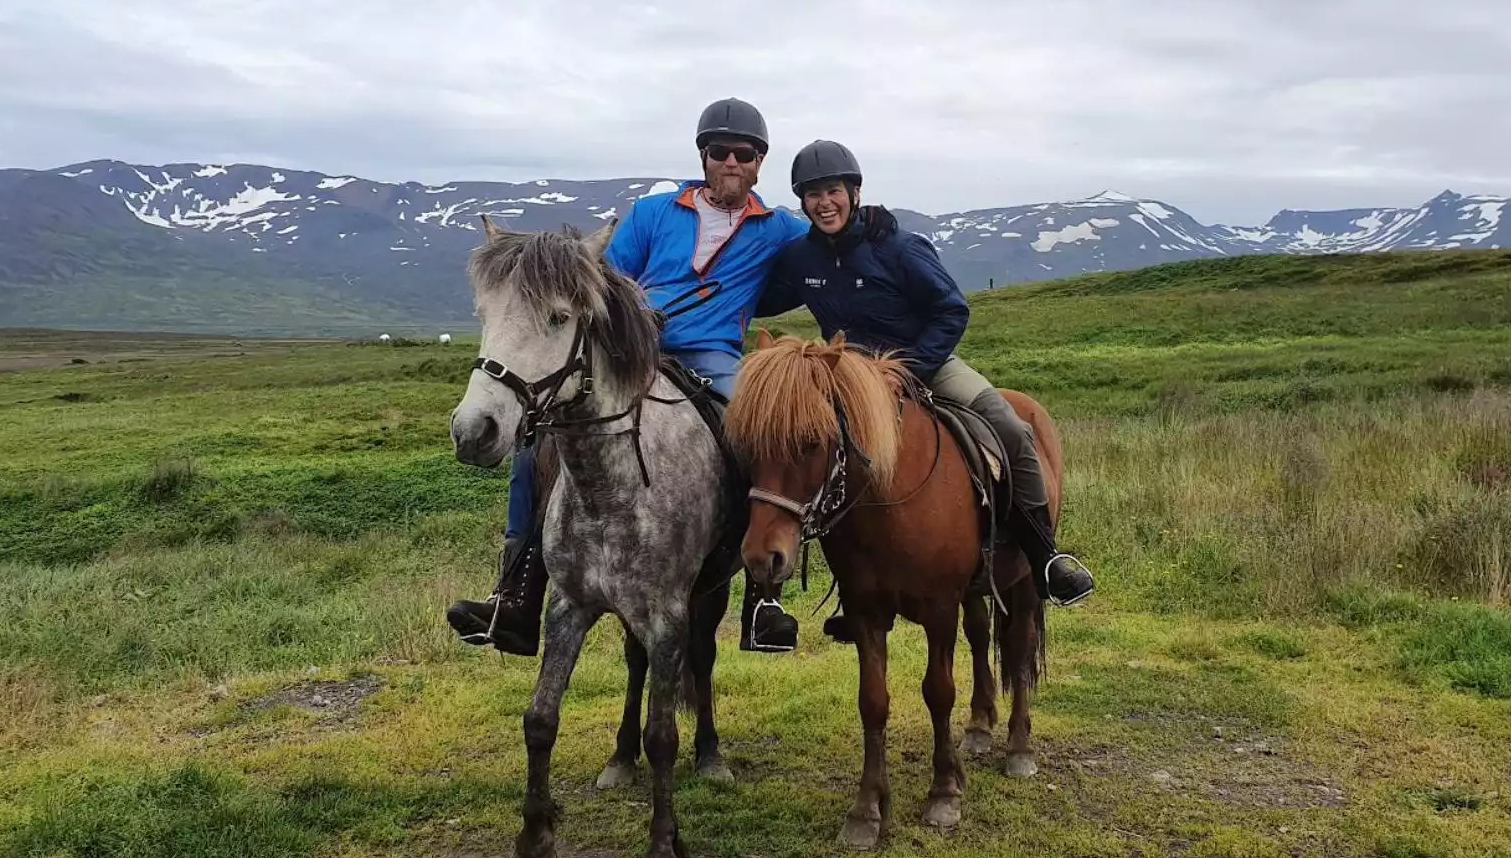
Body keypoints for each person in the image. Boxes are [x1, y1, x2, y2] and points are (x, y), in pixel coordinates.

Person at [448, 97, 809, 656]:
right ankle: (515, 593)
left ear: (760, 162)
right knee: (537, 443)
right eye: (720, 152)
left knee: (758, 435)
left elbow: (829, 245)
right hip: (636, 354)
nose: (731, 162)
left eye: (744, 153)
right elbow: (606, 283)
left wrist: (870, 227)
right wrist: (640, 313)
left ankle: (763, 598)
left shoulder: (779, 229)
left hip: (711, 356)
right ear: (703, 156)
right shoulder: (652, 214)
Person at [753, 139, 1095, 628]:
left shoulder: (899, 248)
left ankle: (1044, 556)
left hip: (928, 366)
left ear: (853, 191)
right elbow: (760, 296)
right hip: (852, 381)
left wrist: (908, 370)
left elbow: (952, 310)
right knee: (811, 454)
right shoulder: (802, 259)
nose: (823, 202)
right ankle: (853, 594)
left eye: (832, 191)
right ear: (802, 202)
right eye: (811, 195)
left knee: (1011, 429)